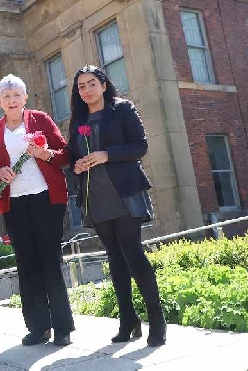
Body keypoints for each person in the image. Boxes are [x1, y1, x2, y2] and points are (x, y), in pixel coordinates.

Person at [67, 65, 166, 347]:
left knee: (133, 254)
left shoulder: (122, 109)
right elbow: (73, 156)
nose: (86, 90)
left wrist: (105, 154)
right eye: (81, 86)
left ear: (103, 84)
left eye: (91, 84)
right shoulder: (78, 120)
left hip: (124, 192)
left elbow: (140, 146)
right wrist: (77, 164)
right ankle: (128, 320)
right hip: (95, 195)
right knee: (114, 257)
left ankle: (157, 320)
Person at [0, 74, 75, 347]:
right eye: (6, 96)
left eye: (16, 95)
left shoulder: (41, 120)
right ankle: (37, 327)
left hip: (46, 198)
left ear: (25, 98)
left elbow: (65, 155)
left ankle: (62, 327)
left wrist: (44, 154)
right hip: (14, 204)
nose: (12, 100)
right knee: (26, 264)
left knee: (49, 260)